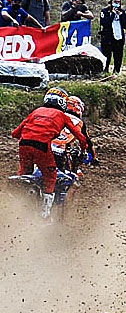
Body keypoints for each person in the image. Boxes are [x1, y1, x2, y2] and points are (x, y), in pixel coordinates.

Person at [12, 87, 88, 218]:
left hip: (24, 144)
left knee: (24, 170)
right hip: (44, 147)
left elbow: (15, 133)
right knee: (51, 176)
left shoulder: (36, 111)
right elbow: (81, 137)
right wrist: (84, 149)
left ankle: (18, 203)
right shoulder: (64, 116)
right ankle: (45, 213)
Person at [50, 95, 94, 209]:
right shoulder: (78, 122)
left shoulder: (55, 115)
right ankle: (63, 209)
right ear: (78, 108)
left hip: (43, 146)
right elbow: (87, 142)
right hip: (60, 152)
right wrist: (91, 157)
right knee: (73, 180)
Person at [98, 0, 126, 74]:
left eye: (119, 2)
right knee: (106, 56)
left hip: (119, 37)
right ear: (111, 2)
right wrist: (112, 14)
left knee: (118, 56)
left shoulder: (122, 12)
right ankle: (105, 70)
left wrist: (121, 16)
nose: (117, 3)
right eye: (115, 2)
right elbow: (104, 23)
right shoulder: (105, 11)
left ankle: (116, 71)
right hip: (108, 38)